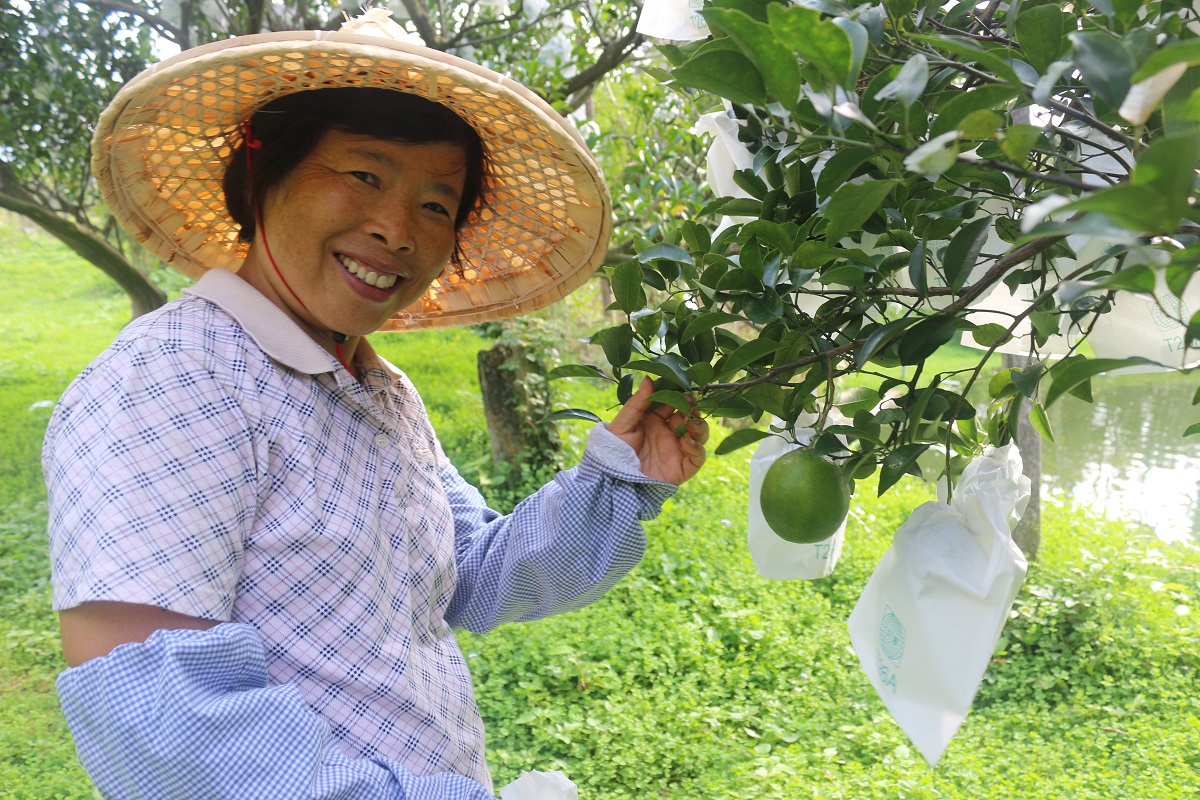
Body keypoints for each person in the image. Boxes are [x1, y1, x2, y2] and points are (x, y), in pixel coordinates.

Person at [44, 10, 708, 799]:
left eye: (436, 205)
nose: (396, 229)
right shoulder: (176, 380)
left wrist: (616, 483)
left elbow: (472, 575)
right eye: (364, 175)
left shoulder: (379, 392)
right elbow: (159, 725)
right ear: (262, 172)